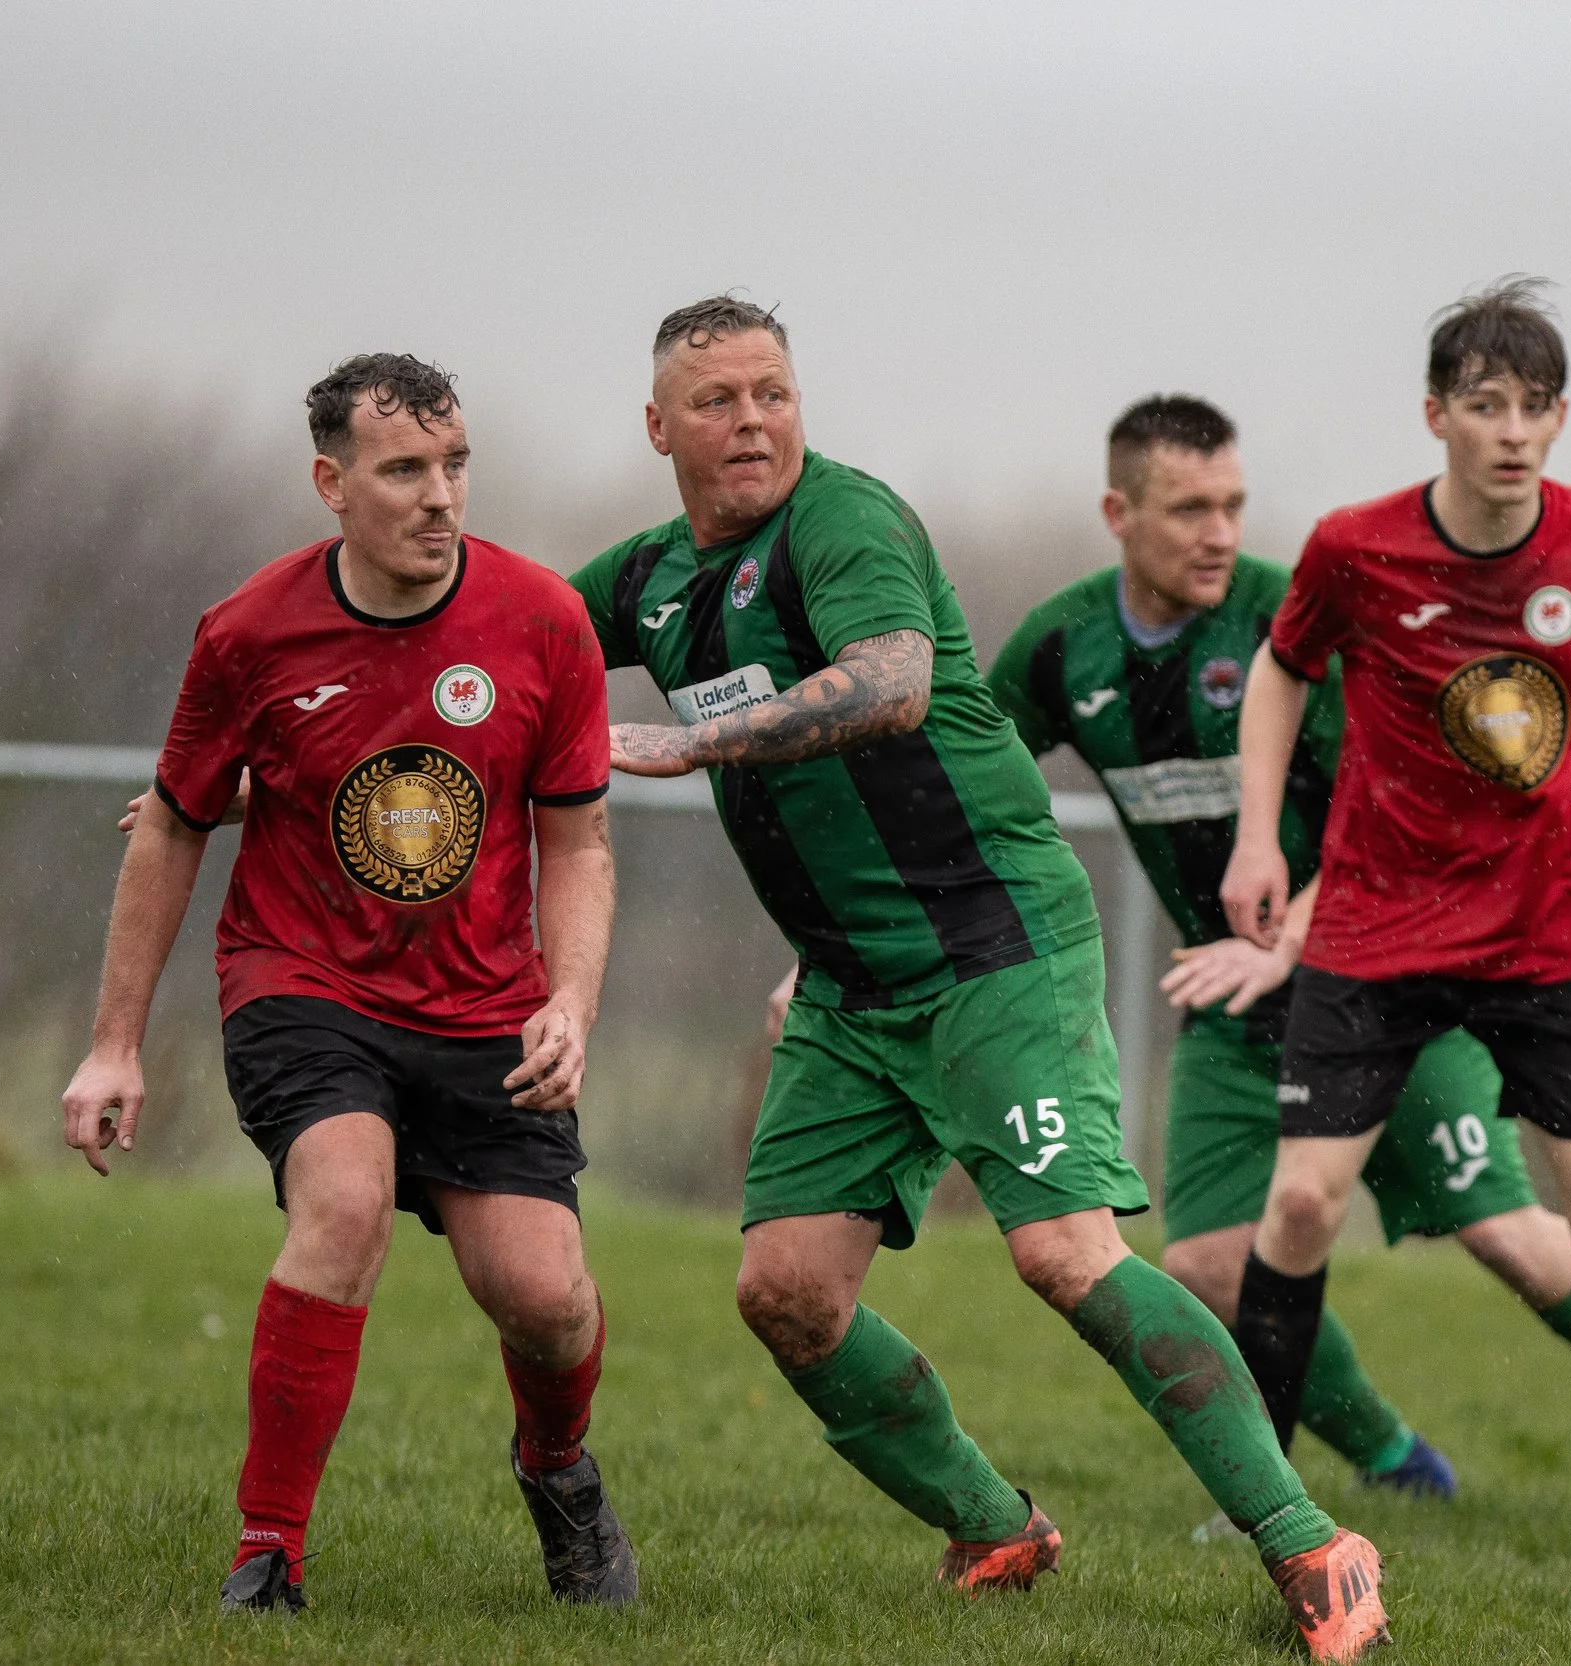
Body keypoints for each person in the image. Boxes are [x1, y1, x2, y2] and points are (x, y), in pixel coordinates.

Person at [569, 297, 1386, 1661]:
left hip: (991, 946)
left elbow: (889, 684)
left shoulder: (844, 522)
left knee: (1064, 1253)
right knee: (784, 1291)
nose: (753, 419)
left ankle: (1312, 1542)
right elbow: (489, 637)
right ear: (661, 427)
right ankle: (995, 1522)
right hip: (849, 988)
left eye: (773, 390)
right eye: (716, 401)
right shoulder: (651, 576)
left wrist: (687, 745)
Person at [988, 394, 1571, 1539]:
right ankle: (1391, 1457)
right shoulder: (1057, 647)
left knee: (1522, 1243)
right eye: (1187, 509)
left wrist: (1282, 938)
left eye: (1232, 505)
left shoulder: (1295, 624)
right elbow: (961, 788)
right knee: (1209, 1263)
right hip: (1236, 1010)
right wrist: (848, 940)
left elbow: (1410, 821)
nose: (1219, 533)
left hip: (1394, 978)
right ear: (1116, 513)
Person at [63, 355, 636, 1615]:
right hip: (301, 978)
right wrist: (114, 1044)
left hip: (487, 1007)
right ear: (332, 484)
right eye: (404, 471)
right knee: (342, 1204)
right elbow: (170, 824)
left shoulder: (543, 620)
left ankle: (559, 1471)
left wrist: (571, 1003)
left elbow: (581, 842)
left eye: (455, 466)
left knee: (541, 1298)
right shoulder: (249, 632)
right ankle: (268, 1554)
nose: (441, 497)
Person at [1220, 280, 1571, 1560]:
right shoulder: (1354, 549)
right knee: (1300, 1207)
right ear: (1435, 416)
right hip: (1374, 926)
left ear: (1561, 418)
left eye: (1535, 407)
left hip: (1546, 936)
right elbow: (1280, 672)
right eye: (1485, 405)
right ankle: (1254, 1497)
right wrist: (1260, 837)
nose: (1512, 430)